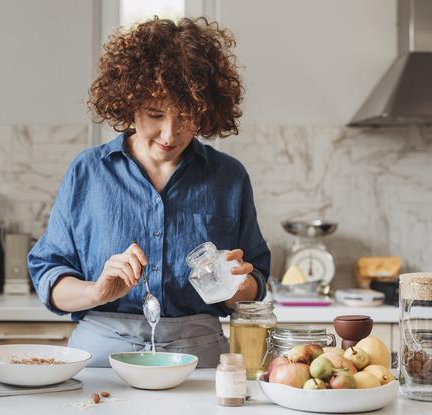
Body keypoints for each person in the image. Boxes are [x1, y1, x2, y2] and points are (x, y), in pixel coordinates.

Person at [28, 16, 270, 367]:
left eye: (185, 116)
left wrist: (240, 285)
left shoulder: (228, 177)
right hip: (100, 354)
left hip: (198, 353)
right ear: (129, 104)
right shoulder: (88, 172)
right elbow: (49, 276)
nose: (169, 135)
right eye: (155, 114)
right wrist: (96, 291)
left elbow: (256, 284)